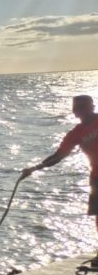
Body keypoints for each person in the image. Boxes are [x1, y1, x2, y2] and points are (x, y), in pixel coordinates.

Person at [21, 95, 98, 258]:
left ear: (92, 107)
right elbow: (58, 156)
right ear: (75, 112)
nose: (83, 112)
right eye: (79, 109)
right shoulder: (76, 134)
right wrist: (35, 168)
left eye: (85, 108)